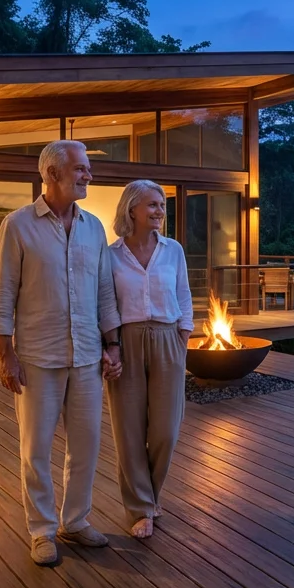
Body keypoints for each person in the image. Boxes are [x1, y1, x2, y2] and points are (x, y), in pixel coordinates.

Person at [0, 140, 123, 566]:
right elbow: (2, 294)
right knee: (36, 449)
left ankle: (75, 521)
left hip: (86, 356)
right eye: (81, 169)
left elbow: (104, 290)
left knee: (85, 446)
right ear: (51, 174)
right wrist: (5, 355)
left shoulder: (94, 227)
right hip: (36, 358)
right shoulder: (18, 225)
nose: (88, 175)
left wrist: (112, 343)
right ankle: (42, 530)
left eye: (86, 169)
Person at [105, 180, 192, 539]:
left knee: (165, 431)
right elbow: (105, 301)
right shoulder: (110, 255)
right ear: (132, 210)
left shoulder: (174, 251)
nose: (159, 211)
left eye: (162, 205)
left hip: (168, 337)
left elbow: (184, 293)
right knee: (128, 430)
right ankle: (141, 507)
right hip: (126, 339)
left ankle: (152, 495)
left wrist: (184, 333)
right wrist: (110, 344)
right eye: (152, 205)